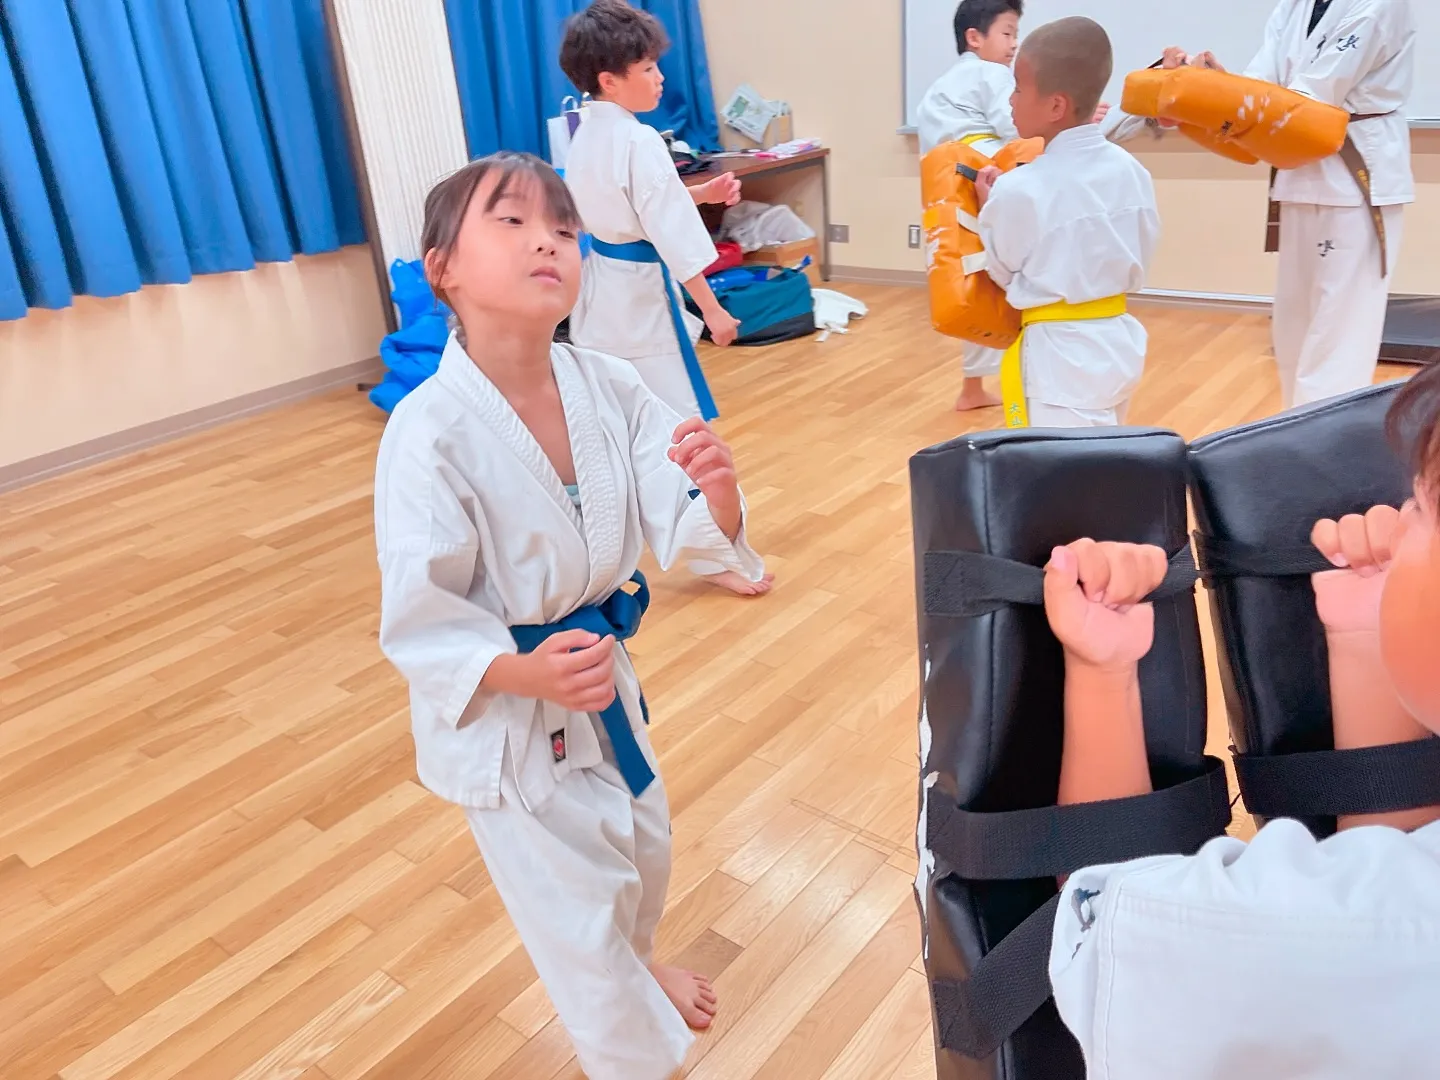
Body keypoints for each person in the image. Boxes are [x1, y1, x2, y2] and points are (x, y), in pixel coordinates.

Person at [373, 151, 770, 1080]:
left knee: (640, 848)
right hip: (510, 713)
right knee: (579, 923)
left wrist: (718, 497)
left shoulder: (608, 385)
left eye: (562, 227)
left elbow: (679, 520)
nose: (547, 239)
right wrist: (518, 670)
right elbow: (419, 614)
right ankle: (629, 1052)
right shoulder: (427, 431)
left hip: (598, 677)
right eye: (510, 222)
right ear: (444, 269)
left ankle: (643, 963)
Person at [1041, 367, 1440, 1077]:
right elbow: (1385, 878)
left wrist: (1103, 674)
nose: (1401, 518)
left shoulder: (1272, 940)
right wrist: (1363, 641)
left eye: (1421, 507)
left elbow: (1103, 929)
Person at [559, 0, 772, 597]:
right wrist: (714, 308)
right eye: (648, 68)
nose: (659, 79)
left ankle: (600, 546)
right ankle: (715, 554)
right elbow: (669, 234)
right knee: (681, 432)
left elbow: (635, 205)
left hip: (602, 300)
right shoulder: (640, 138)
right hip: (641, 306)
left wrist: (698, 190)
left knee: (612, 428)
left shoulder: (586, 132)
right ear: (610, 78)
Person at [1173, 0, 1417, 409]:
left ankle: (1326, 455)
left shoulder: (1382, 3)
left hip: (1357, 180)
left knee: (1338, 339)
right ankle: (1294, 444)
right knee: (1293, 333)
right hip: (1298, 172)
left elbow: (1313, 92)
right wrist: (1204, 85)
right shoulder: (1296, 5)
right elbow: (1261, 82)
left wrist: (1222, 96)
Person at [973, 17, 1158, 428]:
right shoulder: (1132, 172)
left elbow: (1005, 273)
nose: (1010, 101)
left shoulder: (1021, 188)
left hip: (1059, 361)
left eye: (1019, 88)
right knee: (1103, 468)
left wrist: (991, 208)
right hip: (1118, 345)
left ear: (1056, 105)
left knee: (1059, 483)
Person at [915, 0, 1024, 412]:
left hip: (950, 193)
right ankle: (1004, 378)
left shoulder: (941, 87)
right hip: (991, 184)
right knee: (1006, 278)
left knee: (975, 282)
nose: (1014, 44)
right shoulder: (990, 73)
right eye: (1008, 32)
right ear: (974, 37)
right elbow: (1015, 127)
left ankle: (973, 387)